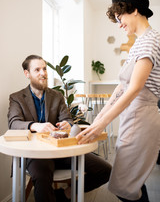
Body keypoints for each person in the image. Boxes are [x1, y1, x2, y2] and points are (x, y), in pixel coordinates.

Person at [76, 0, 160, 202]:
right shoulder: (138, 44)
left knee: (126, 185)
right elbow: (121, 88)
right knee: (131, 183)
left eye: (120, 17)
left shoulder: (150, 41)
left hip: (141, 119)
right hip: (133, 117)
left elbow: (134, 89)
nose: (120, 23)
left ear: (134, 11)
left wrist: (101, 124)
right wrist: (97, 121)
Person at [8, 55, 112, 202]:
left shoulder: (57, 96)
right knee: (42, 176)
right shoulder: (17, 97)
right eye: (37, 70)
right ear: (27, 74)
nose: (43, 73)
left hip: (62, 151)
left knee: (105, 170)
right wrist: (35, 126)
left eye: (44, 69)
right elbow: (13, 123)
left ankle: (65, 195)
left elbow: (68, 119)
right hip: (36, 154)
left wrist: (67, 124)